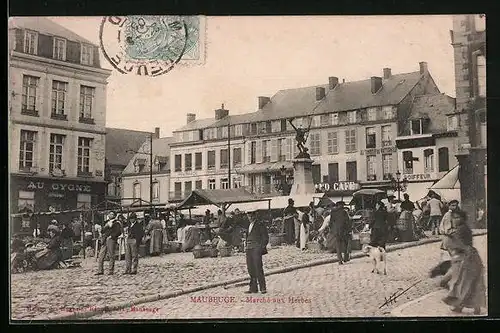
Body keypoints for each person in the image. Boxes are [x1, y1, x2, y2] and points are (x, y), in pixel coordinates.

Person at [437, 209, 485, 314]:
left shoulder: (461, 229)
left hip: (466, 258)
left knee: (462, 283)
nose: (455, 220)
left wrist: (450, 239)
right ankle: (474, 306)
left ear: (463, 219)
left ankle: (459, 305)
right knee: (471, 283)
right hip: (470, 257)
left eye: (457, 217)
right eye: (453, 218)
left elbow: (459, 245)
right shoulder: (462, 228)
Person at [244, 210, 269, 294]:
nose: (250, 218)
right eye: (248, 216)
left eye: (251, 216)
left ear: (255, 215)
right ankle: (253, 288)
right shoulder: (249, 225)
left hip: (256, 248)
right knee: (250, 268)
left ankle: (263, 288)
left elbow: (265, 237)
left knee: (258, 267)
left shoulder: (260, 224)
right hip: (249, 248)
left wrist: (260, 247)